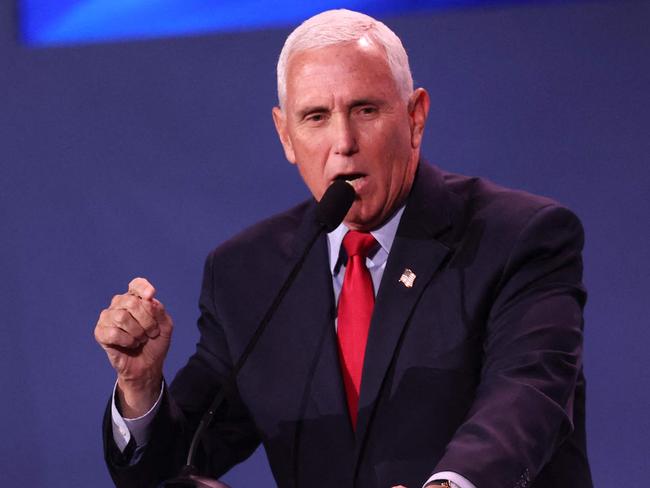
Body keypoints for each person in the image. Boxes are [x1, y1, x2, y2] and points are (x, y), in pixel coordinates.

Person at [94, 9, 592, 488]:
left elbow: (527, 395)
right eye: (315, 117)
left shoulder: (517, 237)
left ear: (416, 117)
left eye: (366, 109)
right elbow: (174, 462)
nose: (343, 141)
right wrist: (141, 387)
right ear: (285, 135)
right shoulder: (246, 273)